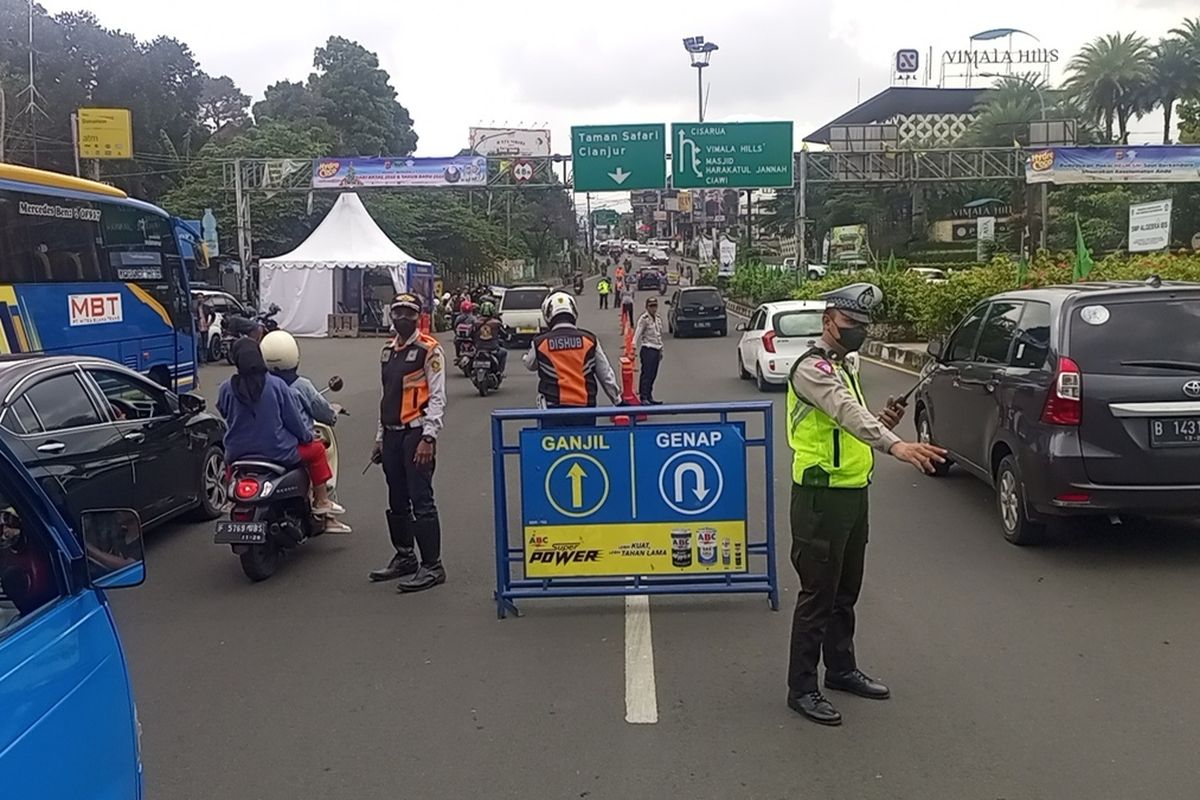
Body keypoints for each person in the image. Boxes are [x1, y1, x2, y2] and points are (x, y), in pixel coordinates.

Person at [784, 283, 946, 727]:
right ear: (828, 321)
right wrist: (896, 445)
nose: (856, 331)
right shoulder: (811, 369)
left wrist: (884, 421)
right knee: (818, 595)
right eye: (850, 324)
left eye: (862, 326)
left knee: (845, 592)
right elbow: (843, 412)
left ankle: (840, 669)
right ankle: (801, 688)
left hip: (853, 491)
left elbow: (855, 422)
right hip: (820, 497)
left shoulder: (843, 364)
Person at [217, 339, 346, 525]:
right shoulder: (276, 386)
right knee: (317, 450)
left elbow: (224, 412)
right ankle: (321, 500)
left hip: (237, 453)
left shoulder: (226, 388)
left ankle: (231, 500)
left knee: (231, 466)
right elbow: (294, 421)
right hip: (277, 452)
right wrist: (308, 437)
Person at [369, 293, 448, 593]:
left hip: (416, 432)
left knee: (421, 498)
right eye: (398, 311)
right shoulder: (387, 352)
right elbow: (386, 396)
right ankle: (405, 556)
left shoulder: (429, 350)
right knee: (397, 498)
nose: (402, 317)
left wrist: (429, 436)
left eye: (409, 312)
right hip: (391, 434)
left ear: (419, 316)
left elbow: (438, 397)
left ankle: (433, 565)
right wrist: (379, 437)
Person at [260, 330, 351, 534]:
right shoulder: (300, 386)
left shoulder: (259, 385)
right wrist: (333, 411)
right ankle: (323, 505)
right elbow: (323, 413)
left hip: (259, 447)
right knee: (319, 449)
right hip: (291, 446)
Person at [523, 291, 621, 427]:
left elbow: (530, 364)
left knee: (551, 445)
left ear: (548, 314)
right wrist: (618, 401)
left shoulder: (540, 342)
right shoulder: (589, 340)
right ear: (573, 311)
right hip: (585, 408)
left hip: (553, 409)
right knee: (585, 445)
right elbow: (605, 374)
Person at [633, 297, 664, 405]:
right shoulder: (644, 319)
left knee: (653, 375)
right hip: (648, 349)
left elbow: (658, 336)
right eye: (651, 306)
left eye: (655, 305)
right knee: (646, 374)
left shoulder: (658, 318)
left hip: (656, 349)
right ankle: (643, 396)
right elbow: (638, 331)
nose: (653, 308)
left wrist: (661, 350)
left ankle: (649, 396)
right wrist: (633, 344)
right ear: (647, 307)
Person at [472, 301, 507, 376]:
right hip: (493, 348)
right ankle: (499, 372)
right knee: (504, 352)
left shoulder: (476, 322)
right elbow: (504, 334)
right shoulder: (496, 323)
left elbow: (471, 334)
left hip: (479, 347)